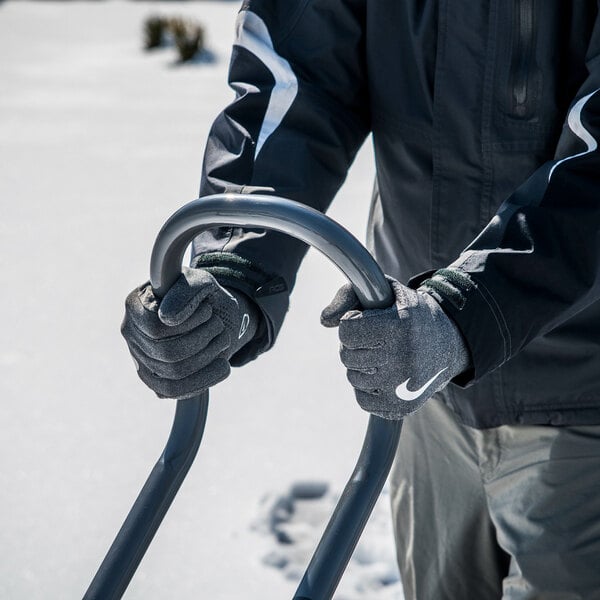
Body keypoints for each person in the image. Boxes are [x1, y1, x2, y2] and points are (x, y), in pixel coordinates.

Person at [121, 2, 600, 598]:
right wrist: (236, 264)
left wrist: (464, 311)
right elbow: (301, 76)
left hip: (582, 393)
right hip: (421, 381)